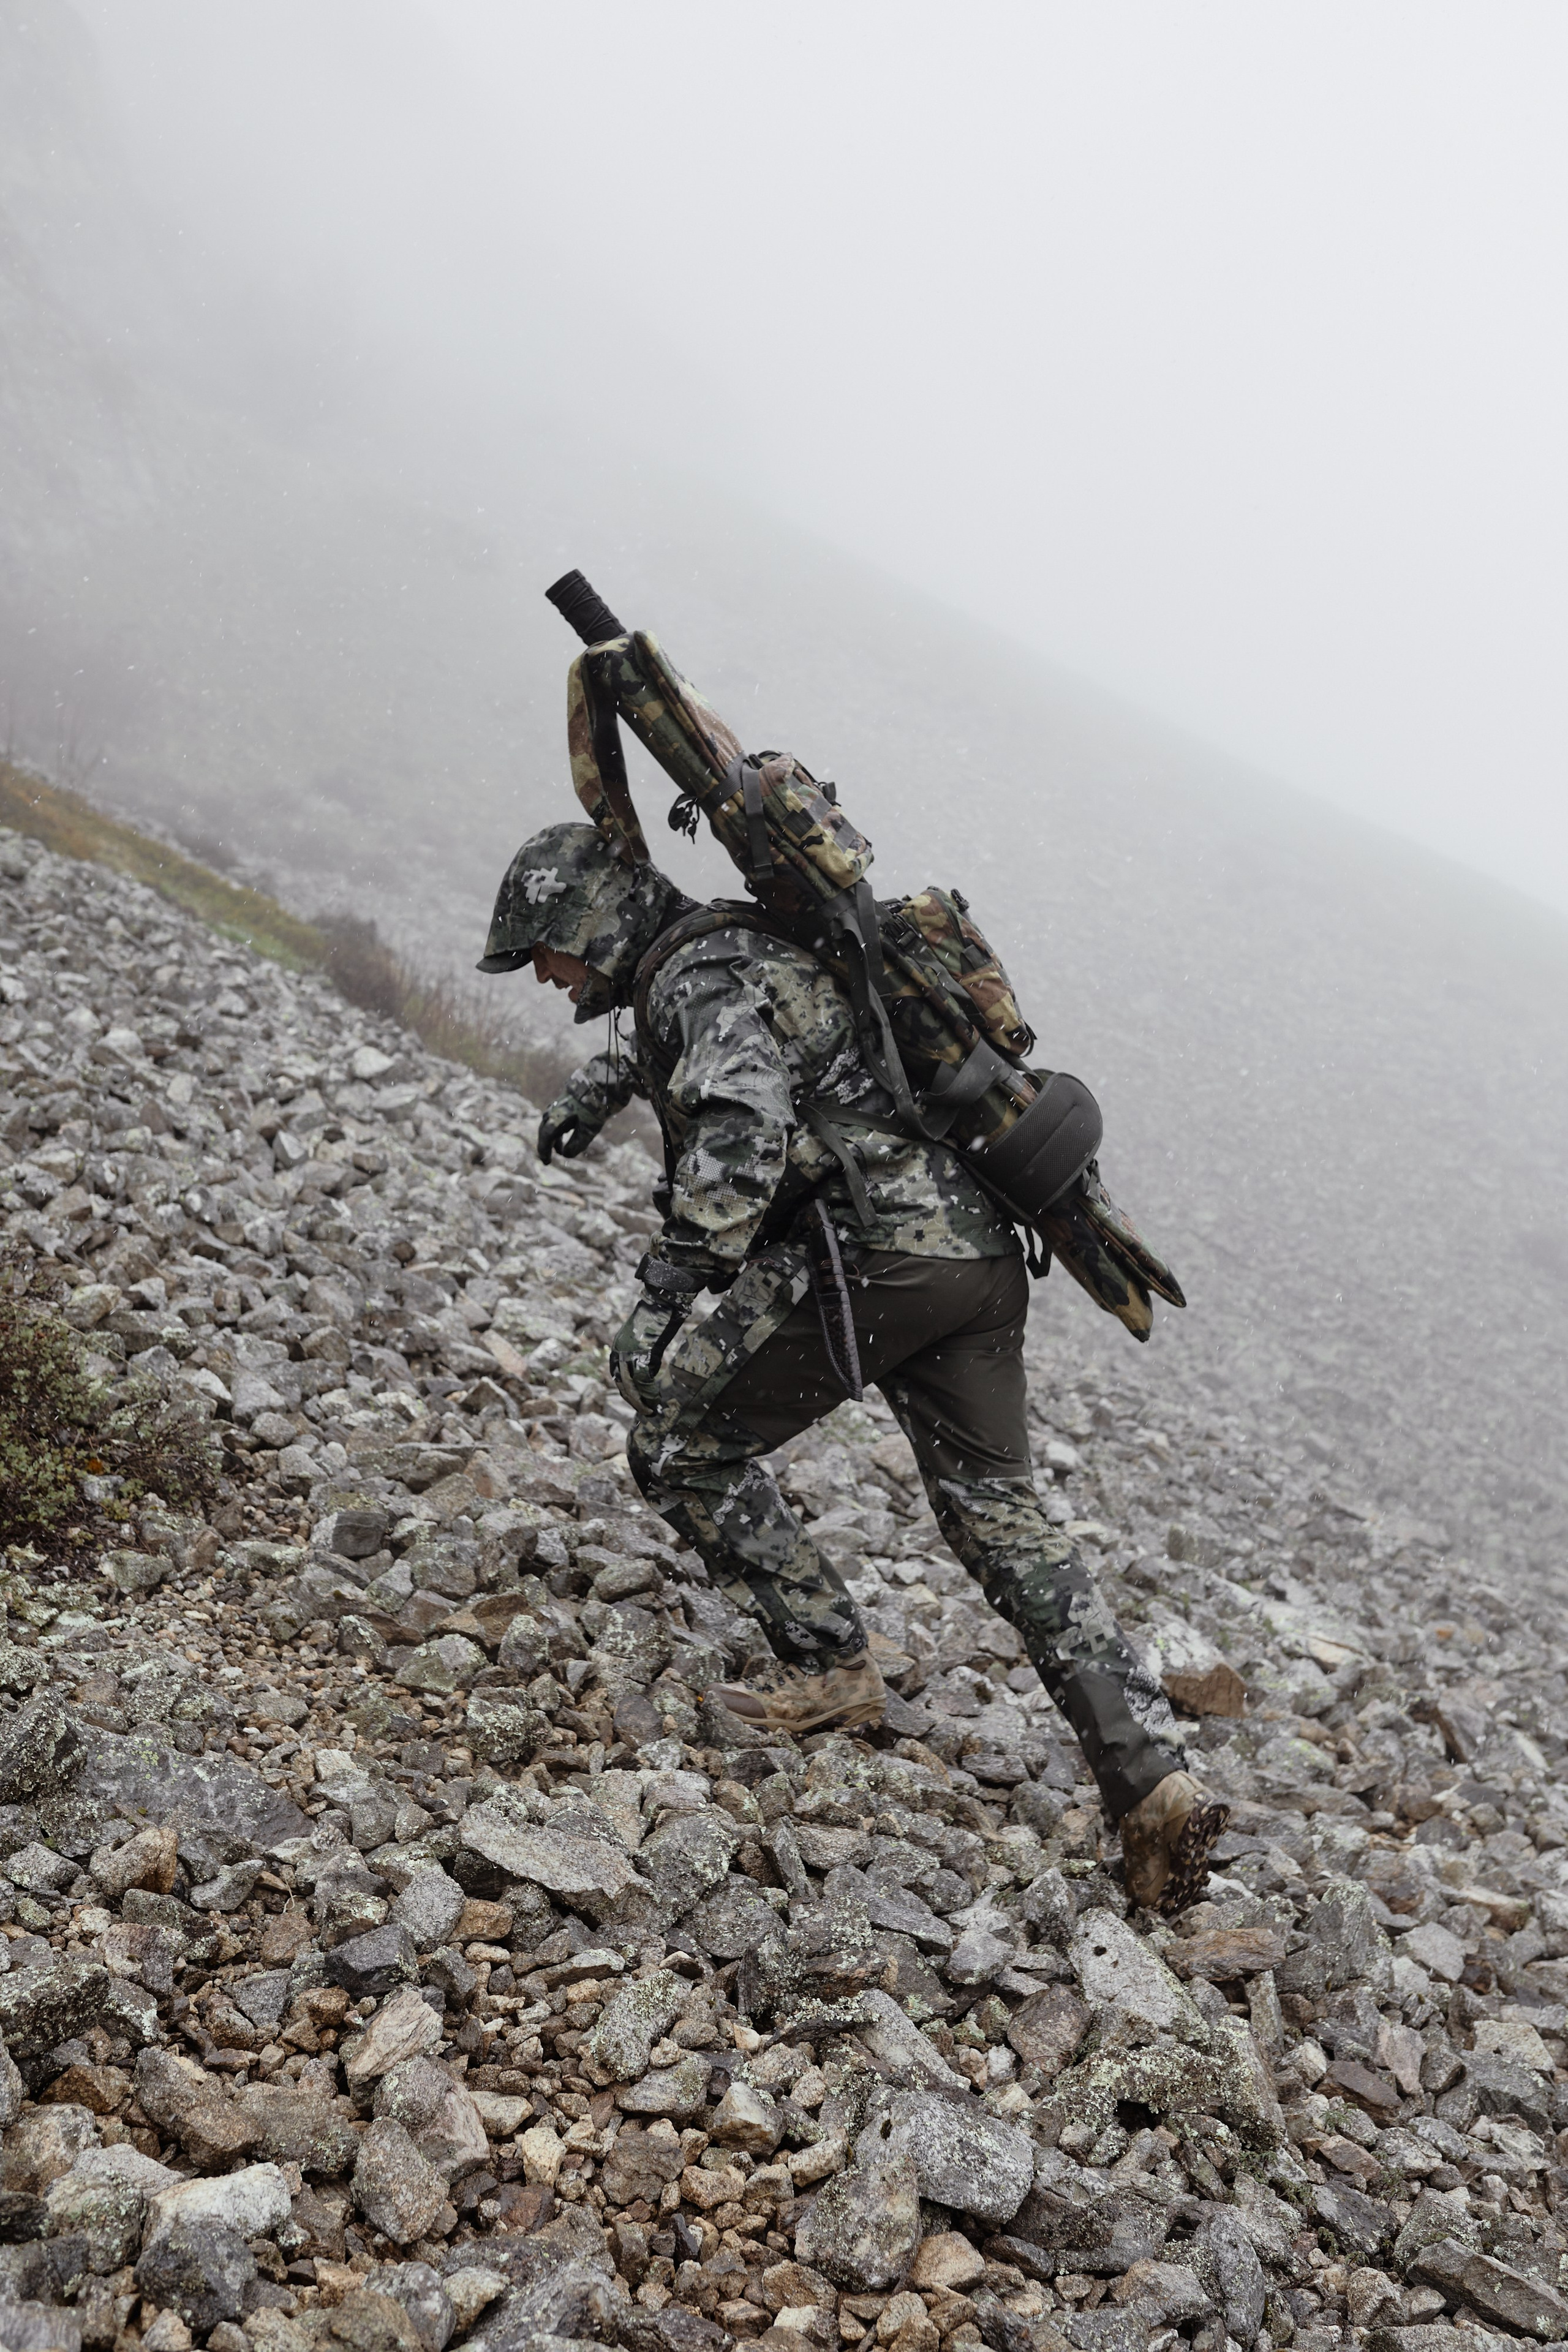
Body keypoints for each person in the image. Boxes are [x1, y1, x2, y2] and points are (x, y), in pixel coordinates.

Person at [478, 821, 1226, 1913]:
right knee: (1000, 1514)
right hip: (975, 1256)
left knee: (679, 1443)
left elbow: (743, 1122)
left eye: (545, 947)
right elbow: (728, 1044)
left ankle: (829, 1661)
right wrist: (596, 1094)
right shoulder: (740, 948)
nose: (546, 975)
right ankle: (1151, 1779)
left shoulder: (697, 973)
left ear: (591, 916)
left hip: (875, 1259)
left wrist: (670, 1287)